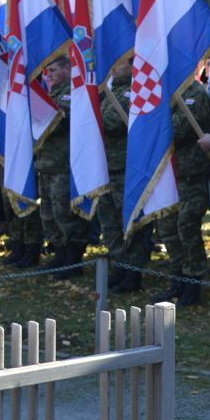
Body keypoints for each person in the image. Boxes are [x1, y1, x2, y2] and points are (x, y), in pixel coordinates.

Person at [153, 79, 210, 307]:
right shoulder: (163, 90)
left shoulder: (194, 93)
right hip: (168, 173)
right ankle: (177, 279)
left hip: (191, 174)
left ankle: (193, 282)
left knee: (187, 227)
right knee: (168, 228)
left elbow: (177, 130)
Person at [98, 61, 153, 293]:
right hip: (106, 167)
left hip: (126, 167)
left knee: (130, 221)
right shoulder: (109, 91)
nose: (113, 66)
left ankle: (133, 271)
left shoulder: (132, 91)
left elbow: (112, 122)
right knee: (110, 221)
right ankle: (119, 264)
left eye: (119, 63)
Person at [34, 56, 89, 278]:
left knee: (64, 213)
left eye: (54, 69)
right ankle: (59, 255)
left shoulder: (71, 93)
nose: (49, 74)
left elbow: (59, 120)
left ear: (68, 69)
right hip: (46, 164)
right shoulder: (50, 93)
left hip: (63, 164)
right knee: (48, 214)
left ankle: (73, 261)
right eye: (47, 71)